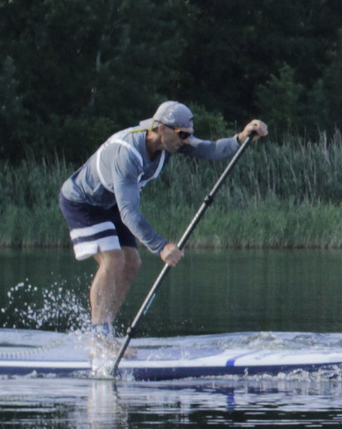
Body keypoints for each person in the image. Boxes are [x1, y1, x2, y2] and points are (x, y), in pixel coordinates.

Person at [60, 101, 268, 353]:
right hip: (84, 203)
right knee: (113, 260)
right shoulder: (127, 154)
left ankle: (107, 333)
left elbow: (211, 149)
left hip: (112, 204)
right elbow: (128, 212)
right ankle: (99, 338)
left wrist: (241, 137)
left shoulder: (171, 143)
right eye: (182, 134)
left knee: (132, 263)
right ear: (161, 128)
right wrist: (161, 246)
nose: (186, 140)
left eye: (188, 134)